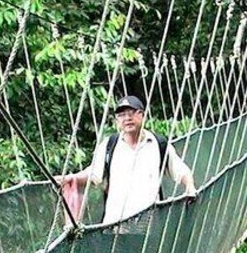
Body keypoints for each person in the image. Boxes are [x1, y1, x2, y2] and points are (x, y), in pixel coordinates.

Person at [58, 95, 197, 225]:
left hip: (149, 225)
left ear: (142, 116)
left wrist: (190, 187)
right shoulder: (109, 145)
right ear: (117, 121)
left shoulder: (158, 143)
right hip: (115, 226)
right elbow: (94, 175)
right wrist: (71, 178)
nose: (127, 118)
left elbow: (180, 170)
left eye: (132, 113)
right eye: (122, 115)